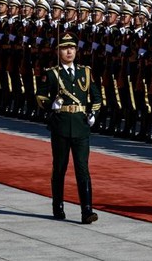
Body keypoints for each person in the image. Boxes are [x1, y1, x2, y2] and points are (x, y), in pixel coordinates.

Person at [35, 32, 102, 224]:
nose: (69, 51)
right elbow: (40, 96)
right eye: (65, 48)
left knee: (82, 168)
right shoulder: (52, 73)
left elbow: (97, 97)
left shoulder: (85, 72)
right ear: (58, 52)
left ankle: (87, 210)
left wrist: (93, 114)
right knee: (60, 167)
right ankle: (58, 206)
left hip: (81, 126)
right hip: (61, 125)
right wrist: (51, 105)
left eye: (72, 48)